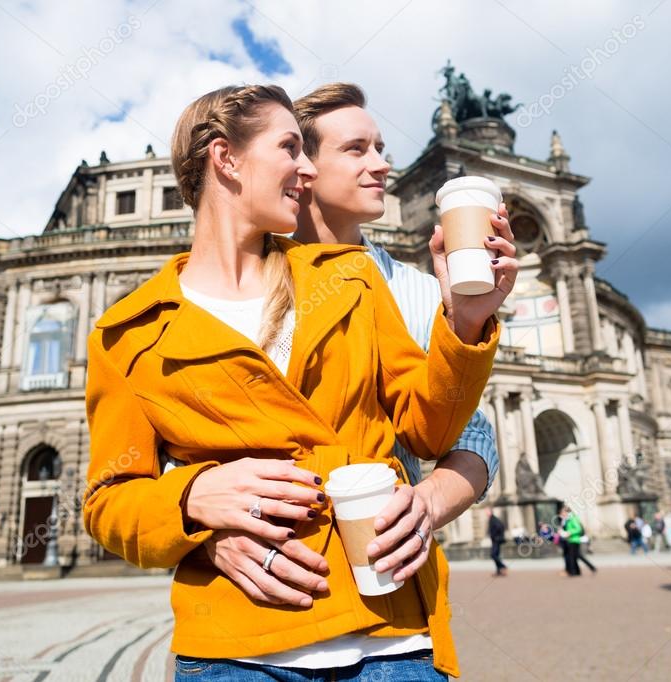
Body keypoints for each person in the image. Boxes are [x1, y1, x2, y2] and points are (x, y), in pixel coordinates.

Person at [82, 84, 515, 680]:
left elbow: (431, 429)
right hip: (235, 648)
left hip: (389, 637)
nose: (306, 169)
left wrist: (466, 322)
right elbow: (110, 499)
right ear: (225, 158)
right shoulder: (127, 333)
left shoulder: (351, 278)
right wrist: (189, 499)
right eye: (291, 148)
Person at [182, 83, 502, 608]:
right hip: (253, 605)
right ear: (299, 166)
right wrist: (206, 526)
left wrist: (424, 505)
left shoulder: (420, 292)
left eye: (380, 149)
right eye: (357, 149)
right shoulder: (229, 285)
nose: (381, 165)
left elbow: (473, 439)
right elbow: (178, 450)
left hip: (382, 583)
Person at [488, 508, 507, 577]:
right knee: (496, 555)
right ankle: (499, 571)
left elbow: (499, 527)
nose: (486, 513)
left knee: (493, 555)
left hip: (496, 540)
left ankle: (503, 566)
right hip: (496, 540)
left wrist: (495, 536)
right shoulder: (493, 519)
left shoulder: (493, 519)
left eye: (487, 511)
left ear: (490, 512)